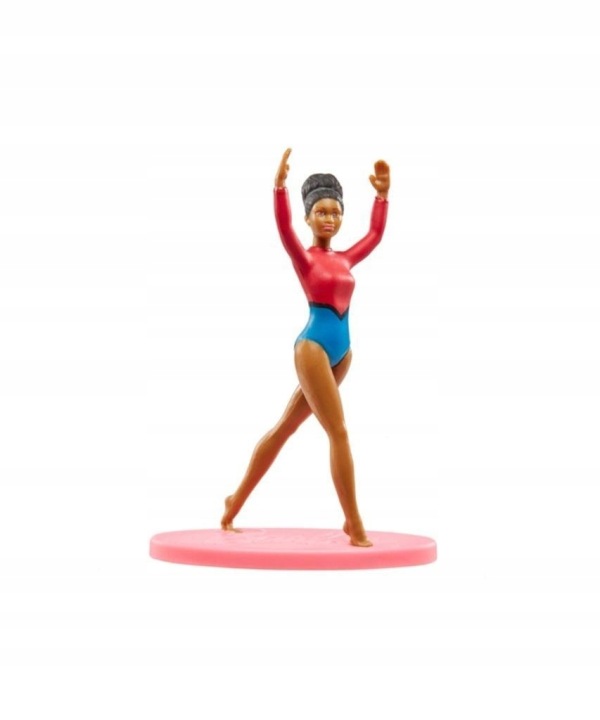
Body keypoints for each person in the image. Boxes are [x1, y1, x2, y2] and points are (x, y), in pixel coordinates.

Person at [221, 148, 390, 546]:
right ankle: (354, 524)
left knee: (284, 428)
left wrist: (382, 196)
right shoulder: (306, 258)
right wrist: (279, 187)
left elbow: (375, 236)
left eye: (335, 212)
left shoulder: (345, 259)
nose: (329, 218)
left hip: (342, 353)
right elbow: (283, 230)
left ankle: (234, 501)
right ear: (308, 216)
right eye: (321, 212)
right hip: (313, 349)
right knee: (339, 432)